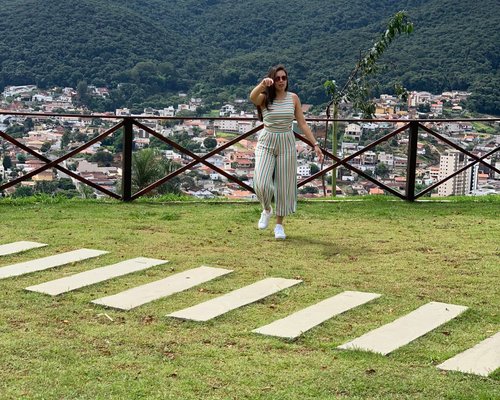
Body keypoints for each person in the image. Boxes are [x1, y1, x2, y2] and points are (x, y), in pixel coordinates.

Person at [249, 65, 323, 240]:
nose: (281, 81)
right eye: (277, 78)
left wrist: (315, 144)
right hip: (266, 141)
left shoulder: (293, 98)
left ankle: (279, 225)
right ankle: (266, 209)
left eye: (284, 78)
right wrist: (262, 84)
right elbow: (252, 97)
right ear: (272, 81)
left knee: (284, 185)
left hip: (286, 143)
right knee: (261, 182)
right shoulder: (265, 98)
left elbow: (302, 124)